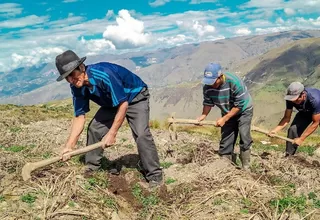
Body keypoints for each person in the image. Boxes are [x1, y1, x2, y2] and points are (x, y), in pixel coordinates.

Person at [55, 50, 163, 188]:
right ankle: (92, 168)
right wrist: (69, 147)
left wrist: (112, 133)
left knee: (141, 134)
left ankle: (155, 175)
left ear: (81, 67)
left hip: (135, 96)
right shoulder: (76, 87)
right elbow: (79, 117)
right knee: (94, 129)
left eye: (72, 74)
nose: (71, 80)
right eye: (66, 77)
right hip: (113, 102)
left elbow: (123, 105)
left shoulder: (104, 74)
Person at [196, 62, 254, 170]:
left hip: (243, 110)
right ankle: (226, 165)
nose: (211, 84)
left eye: (213, 81)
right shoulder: (207, 88)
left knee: (244, 134)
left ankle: (246, 167)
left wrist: (225, 118)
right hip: (227, 111)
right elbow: (208, 103)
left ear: (220, 76)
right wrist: (203, 116)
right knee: (226, 137)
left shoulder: (234, 82)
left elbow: (239, 104)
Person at [269, 81, 320, 157]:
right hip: (305, 112)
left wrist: (301, 139)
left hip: (318, 111)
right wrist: (275, 130)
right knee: (293, 129)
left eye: (296, 100)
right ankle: (289, 156)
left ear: (303, 95)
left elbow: (316, 122)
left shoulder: (315, 99)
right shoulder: (291, 99)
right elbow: (286, 118)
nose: (294, 102)